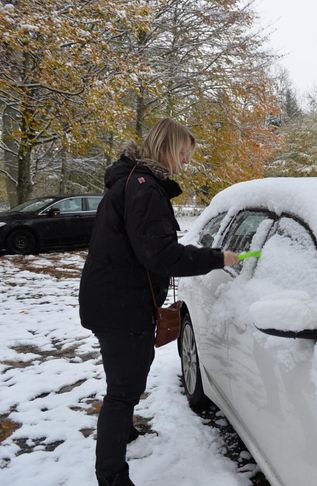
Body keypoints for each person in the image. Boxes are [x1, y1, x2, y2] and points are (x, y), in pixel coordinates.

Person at [79, 118, 238, 486]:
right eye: (183, 154)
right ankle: (112, 475)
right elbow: (162, 255)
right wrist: (217, 258)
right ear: (168, 148)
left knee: (127, 377)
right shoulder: (144, 188)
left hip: (114, 299)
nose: (184, 162)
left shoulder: (132, 180)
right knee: (122, 390)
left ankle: (125, 433)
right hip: (120, 304)